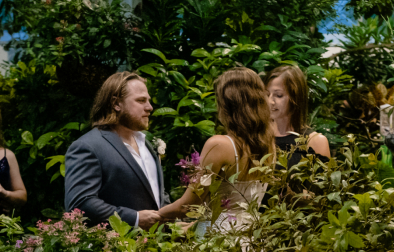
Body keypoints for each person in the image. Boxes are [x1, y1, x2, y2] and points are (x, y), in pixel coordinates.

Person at [159, 67, 273, 234]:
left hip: (220, 239)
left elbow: (188, 205)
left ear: (227, 104)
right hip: (251, 235)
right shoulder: (268, 144)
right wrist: (194, 225)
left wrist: (156, 214)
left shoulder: (220, 144)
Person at [64, 72, 167, 229]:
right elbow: (80, 203)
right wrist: (135, 218)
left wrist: (177, 224)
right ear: (116, 104)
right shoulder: (88, 146)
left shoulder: (148, 144)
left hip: (160, 248)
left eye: (148, 101)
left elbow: (157, 197)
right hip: (116, 249)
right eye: (141, 100)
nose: (149, 107)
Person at [264, 65, 330, 166]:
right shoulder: (260, 137)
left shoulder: (315, 141)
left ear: (295, 98)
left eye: (279, 95)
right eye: (267, 94)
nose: (270, 101)